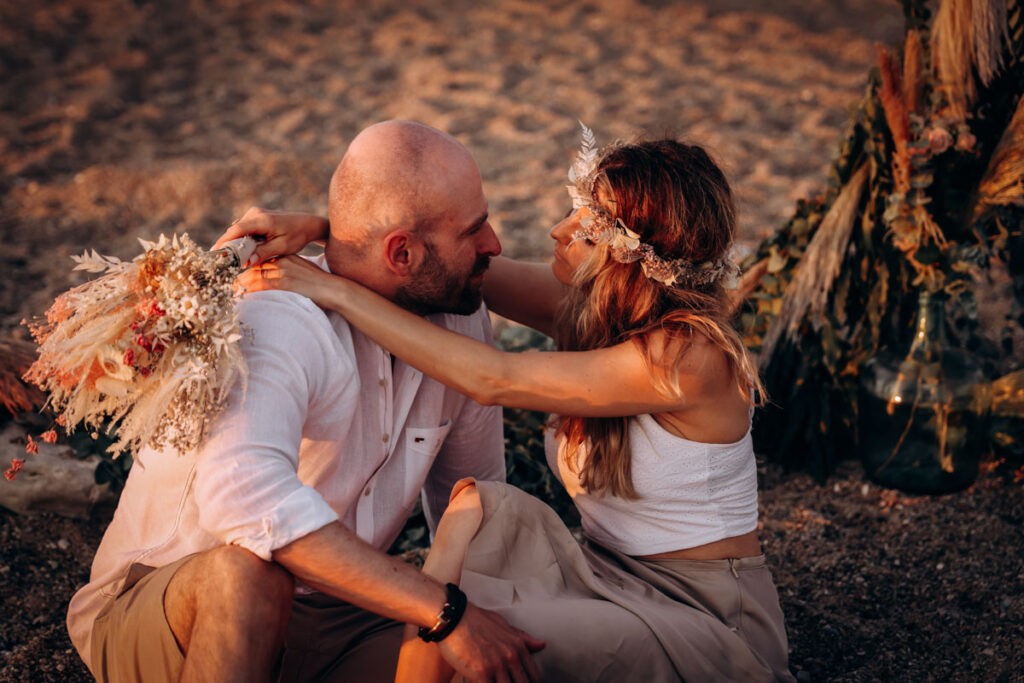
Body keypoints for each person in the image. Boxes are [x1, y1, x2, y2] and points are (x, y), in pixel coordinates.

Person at [229, 126, 795, 681]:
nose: (558, 229)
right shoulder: (600, 312)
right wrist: (334, 232)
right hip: (602, 576)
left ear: (629, 257)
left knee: (489, 633)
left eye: (589, 225)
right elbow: (433, 259)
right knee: (475, 511)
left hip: (702, 612)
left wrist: (333, 288)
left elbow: (492, 378)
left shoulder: (689, 357)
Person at [66, 120, 546, 683]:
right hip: (167, 605)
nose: (495, 246)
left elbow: (475, 504)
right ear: (402, 252)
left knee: (502, 662)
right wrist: (443, 611)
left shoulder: (460, 328)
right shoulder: (277, 312)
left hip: (339, 619)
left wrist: (480, 623)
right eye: (475, 230)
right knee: (250, 575)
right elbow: (242, 499)